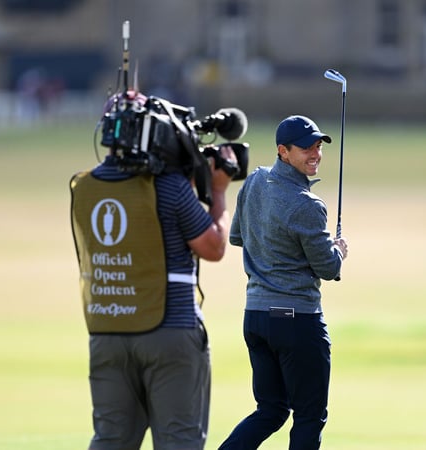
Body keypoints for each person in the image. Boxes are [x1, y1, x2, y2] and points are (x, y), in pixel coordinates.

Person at [70, 93, 237, 449]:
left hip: (107, 331)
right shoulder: (170, 188)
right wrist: (218, 193)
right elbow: (213, 247)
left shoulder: (84, 187)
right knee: (179, 440)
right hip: (169, 331)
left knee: (111, 440)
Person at [218, 115, 349, 450]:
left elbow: (237, 237)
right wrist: (338, 252)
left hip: (256, 317)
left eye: (318, 146)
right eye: (306, 148)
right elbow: (328, 267)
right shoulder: (307, 205)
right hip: (296, 322)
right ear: (283, 151)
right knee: (309, 416)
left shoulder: (254, 181)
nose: (315, 153)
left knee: (271, 410)